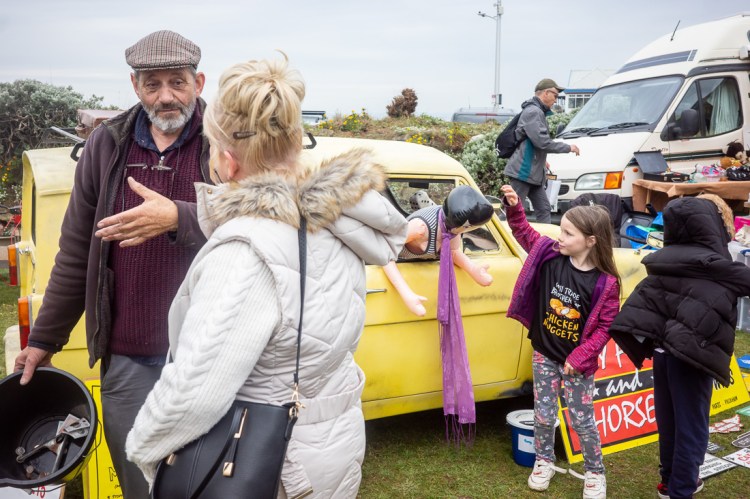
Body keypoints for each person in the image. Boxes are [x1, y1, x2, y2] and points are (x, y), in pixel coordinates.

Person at [125, 54, 407, 498]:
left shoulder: (246, 251)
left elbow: (195, 392)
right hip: (329, 445)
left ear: (228, 161)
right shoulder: (333, 222)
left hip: (272, 463)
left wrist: (143, 450)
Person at [13, 30, 210, 498]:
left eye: (178, 82)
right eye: (152, 83)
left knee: (207, 478)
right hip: (129, 356)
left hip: (209, 351)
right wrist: (43, 339)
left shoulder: (226, 139)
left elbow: (260, 220)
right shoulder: (107, 144)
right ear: (135, 85)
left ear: (199, 82)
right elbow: (77, 250)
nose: (166, 96)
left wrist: (178, 217)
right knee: (140, 479)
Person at [608, 194, 750, 499]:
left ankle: (669, 480)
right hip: (691, 355)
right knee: (692, 425)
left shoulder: (663, 258)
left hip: (663, 351)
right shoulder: (716, 265)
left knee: (670, 421)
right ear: (713, 226)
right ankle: (682, 489)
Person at [501, 184, 620, 499]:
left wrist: (579, 358)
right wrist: (514, 208)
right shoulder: (550, 254)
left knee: (582, 420)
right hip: (544, 354)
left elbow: (606, 325)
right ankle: (543, 461)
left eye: (568, 233)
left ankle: (595, 472)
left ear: (590, 241)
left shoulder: (606, 282)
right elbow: (524, 233)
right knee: (542, 414)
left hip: (577, 366)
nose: (560, 237)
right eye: (561, 230)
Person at [383, 185, 494, 317]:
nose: (468, 230)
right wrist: (406, 293)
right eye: (469, 227)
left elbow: (453, 252)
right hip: (398, 263)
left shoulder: (452, 230)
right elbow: (384, 252)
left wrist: (473, 270)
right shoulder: (420, 228)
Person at [504, 78, 580, 223]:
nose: (556, 100)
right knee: (513, 210)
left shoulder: (536, 111)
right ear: (545, 93)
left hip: (533, 172)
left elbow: (531, 142)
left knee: (544, 209)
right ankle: (507, 241)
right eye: (555, 95)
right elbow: (542, 143)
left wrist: (542, 162)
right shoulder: (534, 112)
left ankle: (544, 243)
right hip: (523, 172)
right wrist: (568, 147)